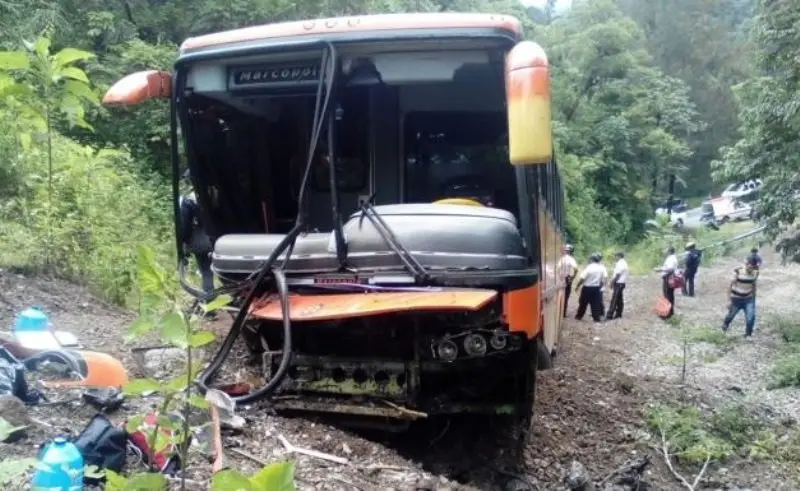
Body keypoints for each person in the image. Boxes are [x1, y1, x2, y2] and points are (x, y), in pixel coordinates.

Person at [179, 185, 214, 296]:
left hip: (202, 241)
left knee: (207, 272)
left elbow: (185, 225)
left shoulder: (190, 200)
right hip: (223, 238)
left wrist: (184, 241)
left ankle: (208, 299)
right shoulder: (217, 193)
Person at [722, 254, 760, 337]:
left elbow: (754, 286)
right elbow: (730, 286)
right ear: (747, 264)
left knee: (751, 317)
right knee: (730, 316)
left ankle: (748, 334)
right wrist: (729, 301)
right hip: (736, 299)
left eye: (753, 267)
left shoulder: (755, 273)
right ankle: (725, 325)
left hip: (748, 299)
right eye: (750, 267)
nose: (751, 269)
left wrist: (753, 299)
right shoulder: (738, 271)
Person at [574, 253, 607, 323]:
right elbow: (604, 278)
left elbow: (582, 278)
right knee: (595, 304)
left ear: (592, 260)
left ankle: (579, 316)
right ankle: (596, 318)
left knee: (583, 303)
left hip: (587, 288)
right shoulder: (601, 268)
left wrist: (577, 286)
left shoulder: (589, 268)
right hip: (597, 288)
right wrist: (604, 286)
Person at [656, 246, 679, 319]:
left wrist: (660, 269)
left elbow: (670, 268)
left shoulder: (671, 259)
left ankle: (666, 314)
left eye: (666, 251)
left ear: (669, 252)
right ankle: (670, 312)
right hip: (670, 277)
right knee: (670, 295)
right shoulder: (673, 258)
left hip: (668, 277)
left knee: (667, 295)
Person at [606, 251, 629, 320]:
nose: (615, 257)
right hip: (621, 283)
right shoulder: (623, 263)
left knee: (614, 299)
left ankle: (609, 315)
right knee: (619, 299)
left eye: (615, 256)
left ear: (619, 256)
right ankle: (619, 313)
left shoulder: (620, 264)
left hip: (619, 283)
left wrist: (612, 282)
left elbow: (618, 275)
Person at [557, 244, 579, 317]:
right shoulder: (571, 259)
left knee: (559, 295)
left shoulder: (561, 259)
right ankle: (563, 313)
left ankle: (559, 312)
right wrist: (573, 277)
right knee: (566, 296)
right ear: (571, 251)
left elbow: (557, 268)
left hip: (560, 279)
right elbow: (576, 268)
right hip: (567, 279)